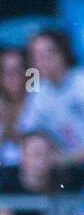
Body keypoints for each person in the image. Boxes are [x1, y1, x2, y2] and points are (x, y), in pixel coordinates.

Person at [17, 31, 84, 166]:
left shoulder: (80, 81)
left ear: (62, 53)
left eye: (46, 54)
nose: (40, 61)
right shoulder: (38, 90)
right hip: (63, 165)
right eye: (35, 56)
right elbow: (28, 131)